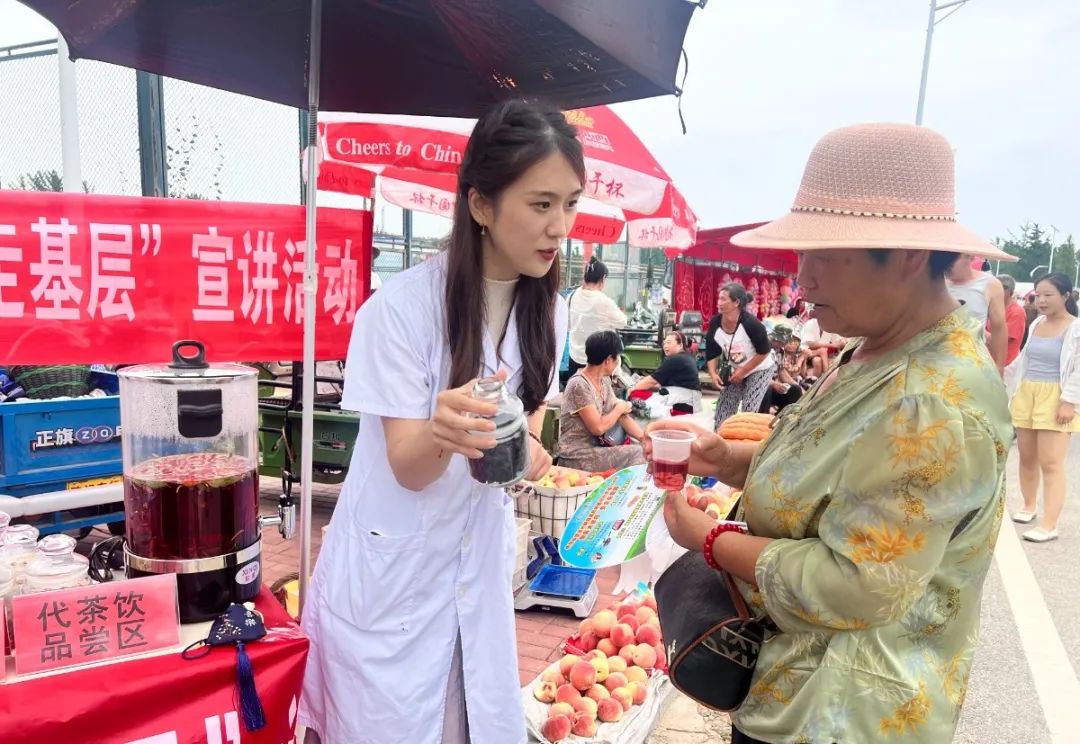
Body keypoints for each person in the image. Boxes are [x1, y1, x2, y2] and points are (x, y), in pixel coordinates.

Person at [645, 123, 1013, 743]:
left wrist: (710, 541)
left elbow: (856, 585)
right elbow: (830, 467)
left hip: (839, 714)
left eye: (824, 255)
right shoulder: (874, 349)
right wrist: (728, 457)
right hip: (793, 691)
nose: (804, 279)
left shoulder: (932, 401)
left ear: (907, 256)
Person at [299, 100, 584, 744]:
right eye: (541, 204)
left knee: (469, 720)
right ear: (481, 204)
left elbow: (529, 417)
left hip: (476, 567)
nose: (559, 226)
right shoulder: (399, 311)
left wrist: (531, 450)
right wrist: (439, 433)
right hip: (391, 578)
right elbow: (408, 465)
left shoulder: (550, 311)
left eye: (570, 203)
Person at [1008, 272, 1080, 542]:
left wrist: (1069, 401)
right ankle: (1029, 506)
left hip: (1056, 397)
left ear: (1065, 296)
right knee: (1026, 457)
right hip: (1027, 393)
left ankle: (1050, 525)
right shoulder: (1037, 322)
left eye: (1048, 295)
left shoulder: (1075, 327)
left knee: (1051, 463)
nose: (1041, 300)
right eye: (1038, 295)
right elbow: (1023, 359)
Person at [558, 330, 645, 471]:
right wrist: (619, 408)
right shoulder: (579, 385)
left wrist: (644, 438)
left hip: (598, 449)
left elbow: (621, 415)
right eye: (617, 357)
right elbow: (597, 428)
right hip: (577, 455)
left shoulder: (604, 381)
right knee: (637, 453)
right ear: (608, 360)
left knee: (642, 447)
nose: (618, 362)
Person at [706, 283, 776, 428]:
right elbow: (712, 351)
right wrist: (713, 373)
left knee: (749, 407)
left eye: (723, 299)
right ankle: (719, 435)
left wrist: (743, 371)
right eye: (719, 298)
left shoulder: (752, 324)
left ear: (736, 302)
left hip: (760, 367)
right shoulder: (715, 323)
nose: (719, 302)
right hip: (736, 367)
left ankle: (745, 437)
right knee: (725, 405)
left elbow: (764, 351)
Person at [946, 253, 1008, 373]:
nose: (947, 264)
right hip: (936, 361)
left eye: (952, 258)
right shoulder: (934, 281)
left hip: (972, 363)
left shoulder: (989, 284)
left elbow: (999, 327)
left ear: (970, 257)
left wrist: (999, 366)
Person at [567, 256, 627, 376]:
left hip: (575, 359)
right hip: (597, 364)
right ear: (603, 278)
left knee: (575, 387)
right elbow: (622, 322)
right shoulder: (604, 301)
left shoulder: (571, 297)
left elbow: (568, 325)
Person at [631, 331, 702, 413]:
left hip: (685, 402)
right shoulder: (686, 357)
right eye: (664, 343)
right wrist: (644, 382)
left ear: (680, 345)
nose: (665, 346)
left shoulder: (676, 359)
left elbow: (651, 381)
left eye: (669, 343)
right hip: (691, 401)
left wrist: (632, 389)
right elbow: (658, 385)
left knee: (638, 399)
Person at [759, 326, 806, 414]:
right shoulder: (762, 347)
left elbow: (782, 372)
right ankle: (761, 416)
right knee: (767, 389)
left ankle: (782, 417)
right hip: (760, 384)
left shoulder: (780, 351)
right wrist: (773, 384)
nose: (783, 344)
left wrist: (798, 386)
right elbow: (756, 373)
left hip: (774, 384)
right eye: (781, 342)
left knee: (795, 390)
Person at [997, 273, 1028, 365]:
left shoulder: (1017, 312)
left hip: (1007, 364)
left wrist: (981, 332)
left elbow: (1003, 338)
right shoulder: (995, 308)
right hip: (991, 361)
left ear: (1007, 290)